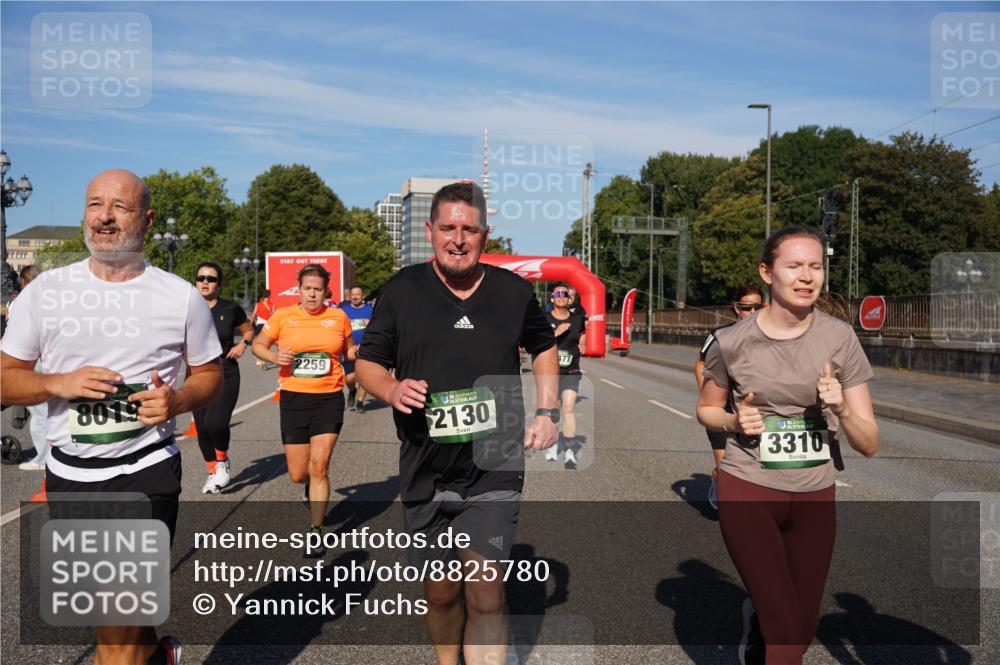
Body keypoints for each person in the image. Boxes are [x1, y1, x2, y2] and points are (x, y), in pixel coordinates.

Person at [1, 168, 222, 665]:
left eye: (118, 207)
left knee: (115, 632)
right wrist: (57, 383)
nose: (104, 217)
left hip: (144, 467)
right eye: (94, 204)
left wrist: (178, 401)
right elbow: (5, 377)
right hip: (71, 475)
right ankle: (159, 655)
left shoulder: (180, 295)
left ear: (146, 219)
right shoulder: (46, 292)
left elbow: (210, 375)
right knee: (116, 620)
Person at [356, 181, 558, 665]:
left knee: (487, 593)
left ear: (486, 235)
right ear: (430, 232)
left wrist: (548, 412)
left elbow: (545, 347)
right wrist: (391, 389)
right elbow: (368, 363)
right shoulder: (402, 290)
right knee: (442, 593)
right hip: (425, 464)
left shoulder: (512, 292)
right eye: (448, 227)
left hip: (494, 464)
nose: (459, 239)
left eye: (470, 229)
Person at [696, 226, 878, 665]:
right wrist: (733, 420)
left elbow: (869, 443)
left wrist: (842, 410)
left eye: (815, 266)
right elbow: (706, 409)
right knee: (784, 633)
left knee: (800, 627)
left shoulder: (839, 338)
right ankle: (766, 626)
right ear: (767, 272)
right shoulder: (731, 342)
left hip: (815, 491)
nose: (806, 276)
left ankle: (755, 623)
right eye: (793, 266)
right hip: (748, 485)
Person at [252, 264, 356, 558]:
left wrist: (365, 350)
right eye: (307, 288)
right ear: (299, 289)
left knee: (320, 466)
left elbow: (349, 350)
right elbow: (258, 344)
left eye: (317, 289)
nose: (312, 294)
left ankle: (315, 532)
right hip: (294, 398)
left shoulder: (338, 316)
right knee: (298, 473)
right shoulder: (283, 316)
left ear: (326, 291)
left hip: (329, 397)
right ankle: (307, 486)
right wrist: (273, 355)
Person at [693, 284, 765, 508]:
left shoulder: (770, 337)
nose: (752, 313)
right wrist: (709, 397)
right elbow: (700, 365)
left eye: (757, 308)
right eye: (746, 308)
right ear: (736, 308)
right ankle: (720, 480)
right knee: (727, 468)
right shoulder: (721, 336)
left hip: (753, 413)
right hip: (723, 413)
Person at [192, 262, 254, 494]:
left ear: (219, 283)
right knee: (202, 429)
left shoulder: (230, 308)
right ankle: (212, 472)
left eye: (211, 278)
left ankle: (222, 461)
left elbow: (248, 330)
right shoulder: (186, 308)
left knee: (215, 423)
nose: (205, 282)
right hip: (195, 375)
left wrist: (243, 344)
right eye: (201, 278)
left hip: (225, 372)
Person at [543, 284, 586, 469]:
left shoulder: (578, 319)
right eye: (558, 294)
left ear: (569, 299)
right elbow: (539, 341)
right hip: (551, 371)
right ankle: (553, 445)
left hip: (571, 369)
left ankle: (569, 451)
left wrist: (582, 344)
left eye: (565, 294)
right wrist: (556, 333)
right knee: (555, 410)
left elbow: (582, 333)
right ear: (552, 298)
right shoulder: (545, 318)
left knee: (568, 408)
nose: (561, 296)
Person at [16, 265, 50, 472]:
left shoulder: (29, 300)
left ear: (26, 282)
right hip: (49, 359)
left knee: (39, 412)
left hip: (35, 359)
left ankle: (43, 458)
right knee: (47, 410)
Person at [339, 285, 373, 412]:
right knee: (350, 378)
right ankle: (352, 390)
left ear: (363, 296)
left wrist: (370, 324)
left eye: (357, 294)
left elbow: (379, 326)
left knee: (365, 376)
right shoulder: (343, 310)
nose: (354, 296)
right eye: (353, 294)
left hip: (366, 348)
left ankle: (359, 402)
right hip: (348, 348)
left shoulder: (370, 310)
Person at [251, 289, 274, 367]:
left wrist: (251, 323)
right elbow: (274, 316)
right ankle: (265, 358)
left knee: (259, 342)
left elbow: (254, 314)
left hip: (259, 324)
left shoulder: (258, 304)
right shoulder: (272, 305)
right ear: (269, 296)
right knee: (267, 342)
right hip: (268, 325)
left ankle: (258, 360)